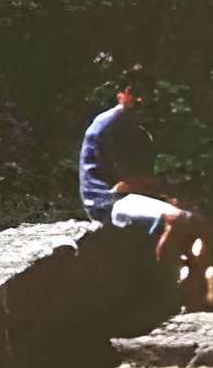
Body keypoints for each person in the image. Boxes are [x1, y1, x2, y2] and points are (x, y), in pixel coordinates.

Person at [77, 70, 204, 277]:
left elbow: (139, 180)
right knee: (179, 220)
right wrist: (167, 196)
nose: (140, 99)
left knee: (197, 223)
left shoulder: (137, 130)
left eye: (145, 93)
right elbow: (123, 184)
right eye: (133, 92)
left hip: (127, 197)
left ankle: (192, 280)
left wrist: (167, 196)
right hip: (107, 202)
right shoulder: (110, 125)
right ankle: (165, 283)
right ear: (120, 94)